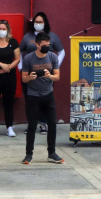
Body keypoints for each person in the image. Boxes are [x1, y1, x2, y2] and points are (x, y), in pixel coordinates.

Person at [21, 33, 63, 165]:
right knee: (32, 125)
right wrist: (30, 77)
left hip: (48, 94)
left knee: (52, 123)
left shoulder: (52, 57)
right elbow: (24, 78)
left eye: (48, 45)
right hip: (33, 95)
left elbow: (57, 76)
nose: (47, 47)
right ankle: (28, 154)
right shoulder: (28, 58)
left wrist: (49, 76)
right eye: (44, 45)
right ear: (37, 45)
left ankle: (52, 153)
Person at [19, 12, 65, 134]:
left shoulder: (52, 36)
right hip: (30, 74)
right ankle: (31, 124)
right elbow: (20, 51)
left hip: (47, 73)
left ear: (45, 23)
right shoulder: (27, 37)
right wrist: (20, 67)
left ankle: (43, 123)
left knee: (46, 98)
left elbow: (61, 52)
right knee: (30, 100)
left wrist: (55, 66)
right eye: (36, 22)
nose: (38, 24)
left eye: (40, 22)